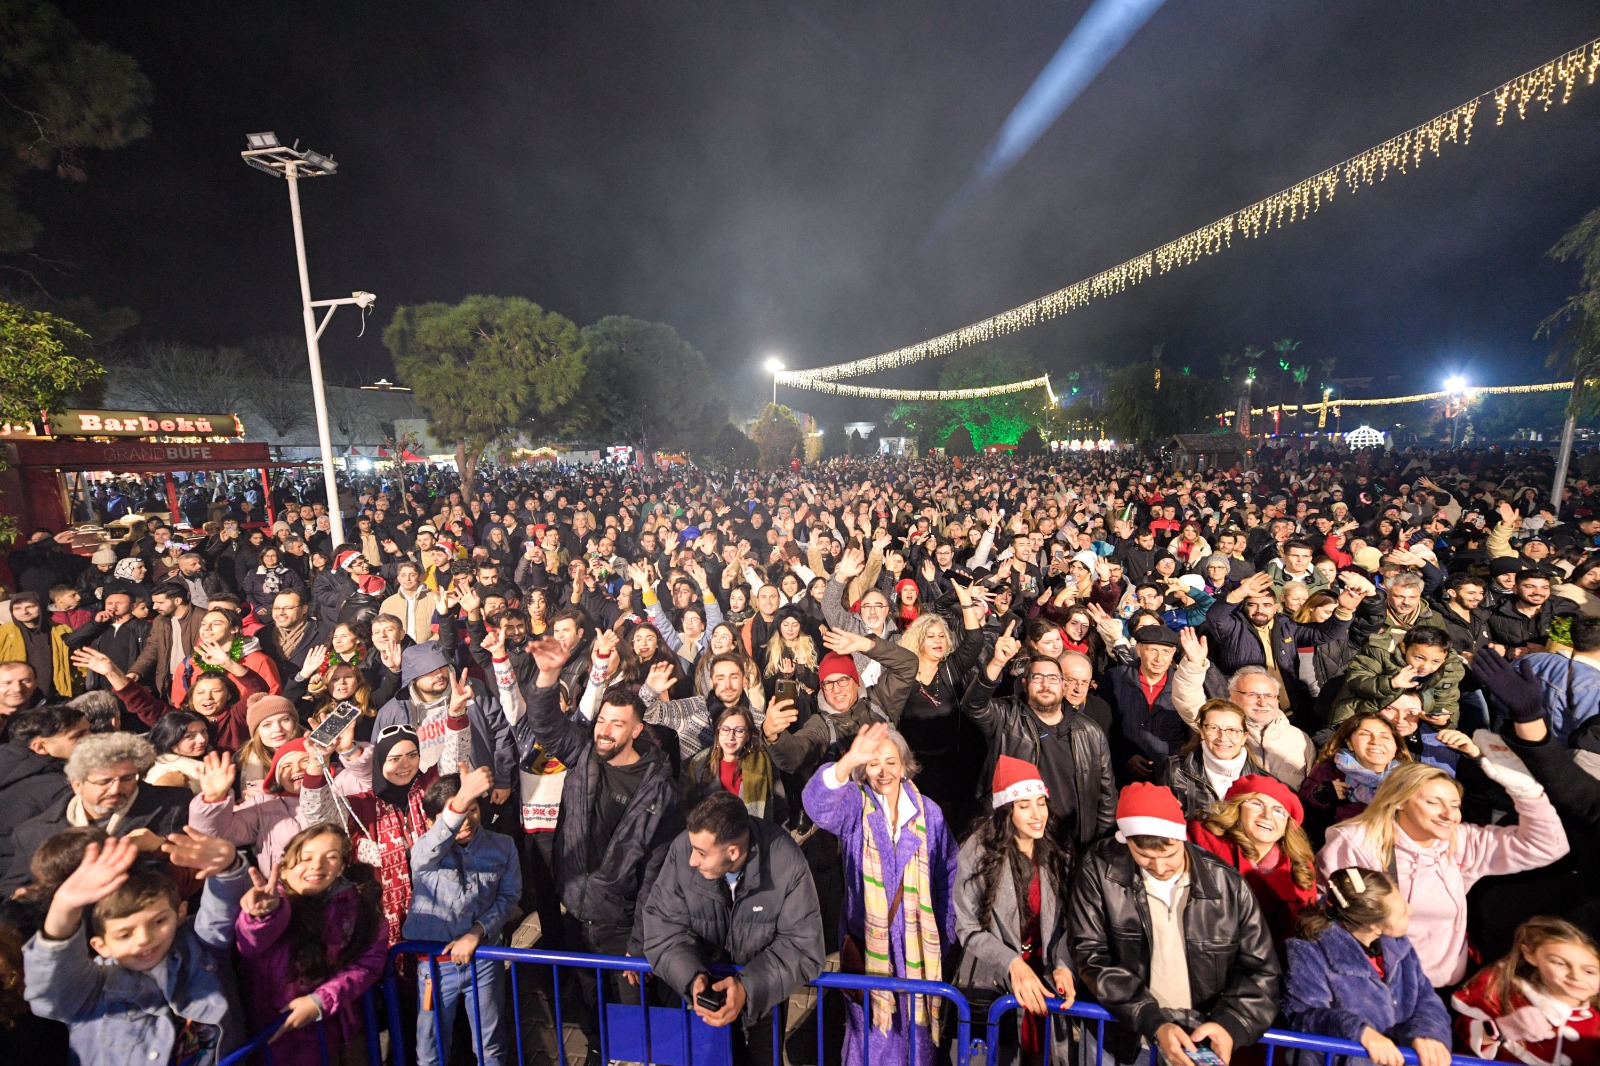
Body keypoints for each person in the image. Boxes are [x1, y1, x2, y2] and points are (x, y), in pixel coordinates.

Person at [1069, 781, 1281, 1066]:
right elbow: (1091, 956)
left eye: (1168, 855)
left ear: (1182, 839)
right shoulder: (1098, 868)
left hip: (1196, 1043)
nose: (1158, 867)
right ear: (1125, 841)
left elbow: (1262, 973)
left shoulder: (1228, 885)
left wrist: (1230, 1026)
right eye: (1144, 856)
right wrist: (1153, 1022)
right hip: (1120, 1040)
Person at [1317, 760, 1571, 987]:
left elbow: (1549, 845)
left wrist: (1524, 790)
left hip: (1444, 985)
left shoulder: (1460, 841)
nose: (1449, 815)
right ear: (1400, 801)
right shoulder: (1359, 842)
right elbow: (1329, 913)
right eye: (1433, 803)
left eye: (1455, 805)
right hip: (1378, 984)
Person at [514, 639, 684, 977]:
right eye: (602, 721)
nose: (604, 731)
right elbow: (546, 725)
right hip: (575, 910)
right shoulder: (583, 753)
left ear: (637, 730)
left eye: (617, 724)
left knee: (626, 1018)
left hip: (621, 926)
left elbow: (656, 874)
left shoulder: (662, 792)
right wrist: (547, 674)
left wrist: (639, 943)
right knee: (589, 1007)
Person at [801, 722, 957, 1066]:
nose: (883, 772)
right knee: (871, 1040)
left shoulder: (928, 813)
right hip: (868, 948)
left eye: (891, 762)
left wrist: (943, 935)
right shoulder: (855, 807)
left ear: (904, 766)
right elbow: (816, 805)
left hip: (919, 952)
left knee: (916, 1043)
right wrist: (848, 760)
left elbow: (948, 875)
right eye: (874, 763)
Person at [21, 830, 249, 1066]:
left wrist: (227, 868)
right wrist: (63, 909)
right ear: (101, 945)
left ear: (180, 913)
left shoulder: (199, 946)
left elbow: (221, 917)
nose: (144, 939)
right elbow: (51, 993)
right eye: (125, 934)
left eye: (159, 921)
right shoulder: (91, 989)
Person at [640, 790, 826, 1063]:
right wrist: (691, 978)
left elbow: (804, 946)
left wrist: (748, 989)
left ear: (733, 851)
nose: (692, 860)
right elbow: (662, 926)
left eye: (702, 853)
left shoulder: (786, 860)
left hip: (765, 1002)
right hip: (706, 1002)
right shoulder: (682, 850)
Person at [953, 756, 1077, 1064]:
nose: (1037, 815)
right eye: (1024, 806)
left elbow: (1070, 923)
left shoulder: (1057, 849)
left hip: (1044, 983)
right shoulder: (977, 852)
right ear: (1006, 810)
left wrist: (1064, 964)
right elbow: (967, 928)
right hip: (994, 984)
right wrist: (1012, 963)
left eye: (1041, 803)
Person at [234, 823, 389, 1066]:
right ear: (284, 868)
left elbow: (367, 964)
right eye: (306, 858)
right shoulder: (275, 903)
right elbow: (251, 943)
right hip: (276, 1038)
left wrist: (320, 1002)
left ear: (341, 868)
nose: (317, 865)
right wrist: (262, 915)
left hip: (335, 1034)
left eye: (331, 857)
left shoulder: (358, 909)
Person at [406, 765, 521, 1066]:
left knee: (490, 1046)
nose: (465, 821)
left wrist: (477, 932)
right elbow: (424, 853)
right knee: (430, 1050)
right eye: (454, 814)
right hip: (434, 967)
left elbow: (509, 897)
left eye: (472, 809)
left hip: (482, 961)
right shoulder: (425, 850)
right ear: (432, 821)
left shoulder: (503, 846)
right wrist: (460, 800)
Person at [962, 625, 1116, 847]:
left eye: (1053, 678)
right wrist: (996, 663)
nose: (1046, 685)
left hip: (1072, 843)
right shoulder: (1007, 717)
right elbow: (973, 706)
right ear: (1025, 684)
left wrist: (1098, 846)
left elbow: (1106, 795)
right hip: (1018, 841)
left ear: (1063, 685)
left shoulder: (1090, 732)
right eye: (1037, 677)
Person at [1282, 867, 1453, 1066]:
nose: (1411, 910)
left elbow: (1425, 999)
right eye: (1402, 913)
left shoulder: (1400, 947)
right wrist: (1358, 1031)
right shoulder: (1307, 951)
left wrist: (1426, 1033)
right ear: (1375, 925)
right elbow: (1302, 1016)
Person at [2, 732, 192, 894]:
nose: (116, 789)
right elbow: (13, 894)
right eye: (104, 782)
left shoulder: (174, 805)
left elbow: (197, 870)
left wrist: (162, 847)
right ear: (77, 784)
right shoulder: (34, 834)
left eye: (127, 778)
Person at [1188, 774, 1318, 948]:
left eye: (1278, 811)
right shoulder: (1204, 841)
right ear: (1238, 808)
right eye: (1257, 804)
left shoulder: (1300, 869)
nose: (1267, 816)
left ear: (1287, 826)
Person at [1175, 632, 1318, 789]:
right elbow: (1188, 701)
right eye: (1253, 695)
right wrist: (1194, 665)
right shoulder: (1220, 727)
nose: (1262, 702)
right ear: (1233, 696)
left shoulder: (1300, 739)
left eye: (1269, 696)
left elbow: (1309, 791)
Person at [1451, 916, 1600, 1064]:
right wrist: (1504, 1028)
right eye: (1559, 963)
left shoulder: (1596, 1022)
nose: (1575, 976)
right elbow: (1463, 1036)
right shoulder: (1503, 995)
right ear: (1530, 955)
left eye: (1590, 971)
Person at [1104, 625, 1192, 783]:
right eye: (1152, 650)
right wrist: (1126, 756)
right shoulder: (1115, 679)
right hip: (1122, 774)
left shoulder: (1184, 685)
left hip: (1170, 775)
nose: (1159, 659)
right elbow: (1104, 725)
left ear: (1173, 653)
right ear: (1138, 650)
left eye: (1166, 652)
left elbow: (1191, 732)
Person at [1332, 626, 1464, 728]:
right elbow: (1356, 682)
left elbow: (1448, 702)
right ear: (1403, 647)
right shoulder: (1380, 652)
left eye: (1435, 661)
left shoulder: (1448, 669)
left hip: (1412, 724)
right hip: (1360, 715)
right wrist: (1391, 683)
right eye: (1419, 658)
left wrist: (1444, 720)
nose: (1425, 667)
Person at [1162, 699, 1271, 820]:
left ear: (1244, 737)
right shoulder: (1176, 770)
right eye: (1213, 728)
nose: (1222, 738)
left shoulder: (1264, 781)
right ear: (1202, 732)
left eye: (1232, 730)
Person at [0, 592, 76, 701]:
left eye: (29, 607)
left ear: (40, 606)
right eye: (17, 608)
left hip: (54, 697)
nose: (24, 612)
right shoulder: (4, 633)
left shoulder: (61, 630)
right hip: (17, 697)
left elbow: (76, 663)